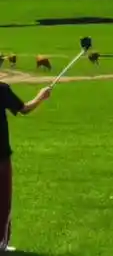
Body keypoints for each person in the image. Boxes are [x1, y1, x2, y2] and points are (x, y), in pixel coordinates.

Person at [0, 82, 52, 252]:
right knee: (3, 201)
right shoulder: (2, 89)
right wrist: (41, 96)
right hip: (0, 156)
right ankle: (1, 243)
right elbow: (24, 109)